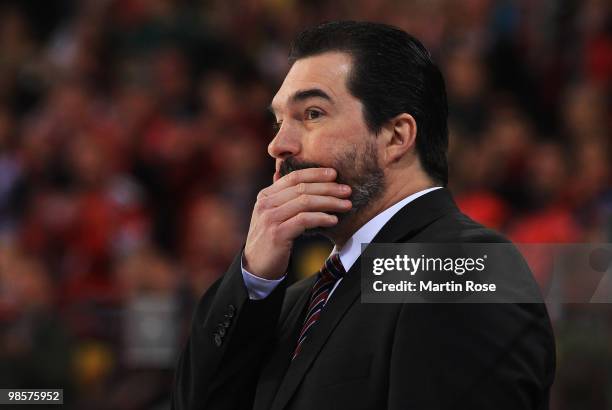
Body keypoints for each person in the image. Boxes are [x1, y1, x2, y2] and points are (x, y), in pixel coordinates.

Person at [172, 21, 555, 410]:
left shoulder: (455, 269)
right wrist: (254, 278)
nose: (277, 144)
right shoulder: (294, 301)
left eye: (312, 113)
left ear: (396, 137)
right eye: (278, 121)